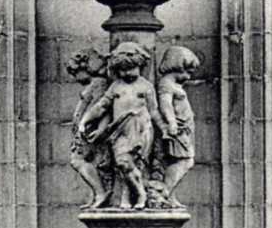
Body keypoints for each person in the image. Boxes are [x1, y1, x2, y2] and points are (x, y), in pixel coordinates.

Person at [78, 42, 159, 210]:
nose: (126, 73)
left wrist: (165, 128)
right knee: (122, 163)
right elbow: (101, 106)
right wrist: (86, 119)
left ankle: (129, 195)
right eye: (122, 70)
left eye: (130, 69)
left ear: (139, 65)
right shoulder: (116, 86)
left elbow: (154, 111)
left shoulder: (145, 86)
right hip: (119, 130)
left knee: (135, 164)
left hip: (140, 128)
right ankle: (139, 192)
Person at [153, 45, 201, 206]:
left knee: (182, 160)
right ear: (176, 66)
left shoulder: (174, 84)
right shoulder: (166, 84)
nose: (187, 77)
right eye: (186, 72)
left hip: (184, 129)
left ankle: (169, 195)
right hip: (177, 130)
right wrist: (172, 122)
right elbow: (165, 104)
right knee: (186, 161)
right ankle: (164, 193)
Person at [66, 48, 112, 208]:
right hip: (85, 129)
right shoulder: (95, 83)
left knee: (77, 161)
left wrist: (97, 127)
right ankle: (98, 193)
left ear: (85, 67)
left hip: (89, 130)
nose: (75, 77)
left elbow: (101, 108)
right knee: (80, 161)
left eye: (75, 72)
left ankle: (100, 192)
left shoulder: (99, 83)